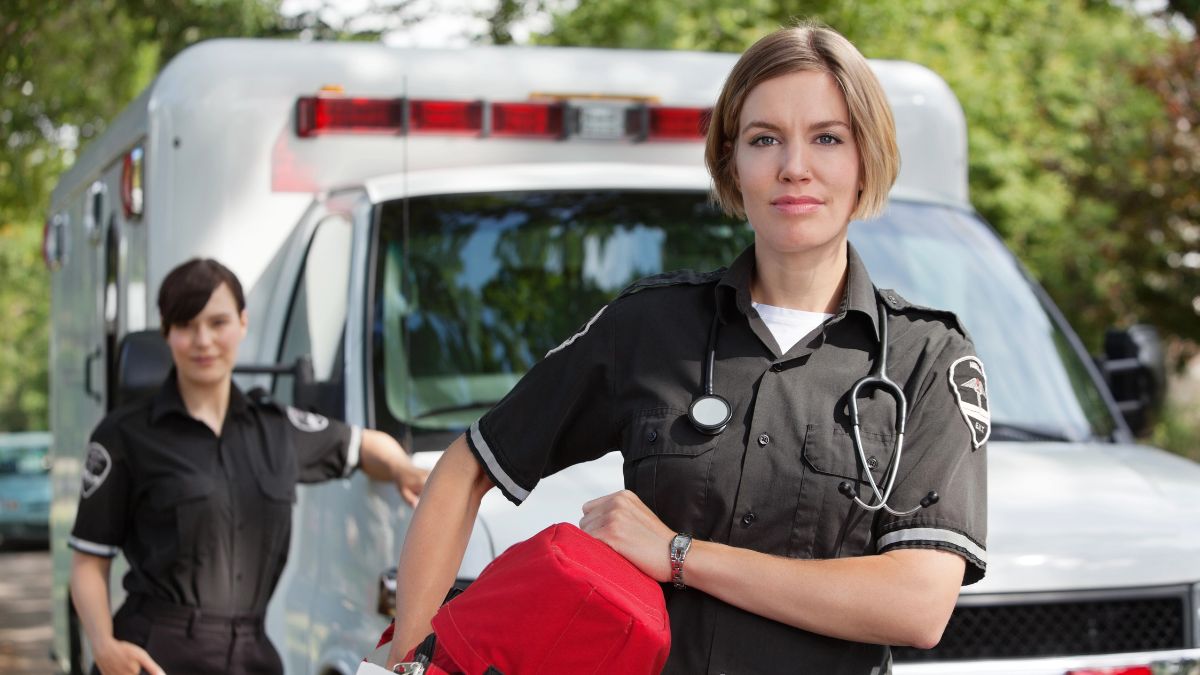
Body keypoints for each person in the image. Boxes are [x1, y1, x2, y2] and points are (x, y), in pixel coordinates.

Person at [387, 21, 988, 675]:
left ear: (866, 157)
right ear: (732, 160)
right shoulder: (649, 328)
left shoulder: (925, 358)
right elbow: (466, 466)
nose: (794, 167)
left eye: (827, 138)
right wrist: (408, 660)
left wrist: (679, 554)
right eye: (765, 139)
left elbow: (918, 604)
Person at [68, 258, 429, 675]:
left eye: (217, 322)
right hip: (154, 656)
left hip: (251, 656)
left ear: (242, 322)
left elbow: (365, 445)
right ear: (167, 332)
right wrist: (104, 646)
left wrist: (402, 468)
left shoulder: (275, 428)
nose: (203, 340)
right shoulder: (124, 435)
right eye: (186, 325)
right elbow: (88, 563)